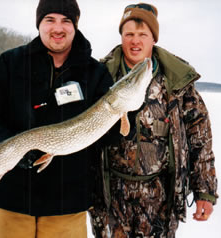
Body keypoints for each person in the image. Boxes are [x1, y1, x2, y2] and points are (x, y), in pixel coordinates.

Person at [0, 0, 114, 237]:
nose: (57, 28)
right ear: (39, 23)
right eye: (50, 20)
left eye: (66, 21)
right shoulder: (10, 63)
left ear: (75, 25)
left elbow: (107, 137)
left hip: (66, 206)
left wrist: (122, 122)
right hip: (9, 200)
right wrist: (15, 150)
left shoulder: (95, 73)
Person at [89, 3, 218, 238]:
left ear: (153, 39)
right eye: (129, 34)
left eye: (142, 35)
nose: (135, 41)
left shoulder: (176, 81)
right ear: (121, 37)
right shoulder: (101, 75)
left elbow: (200, 137)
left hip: (160, 198)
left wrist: (205, 191)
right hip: (110, 195)